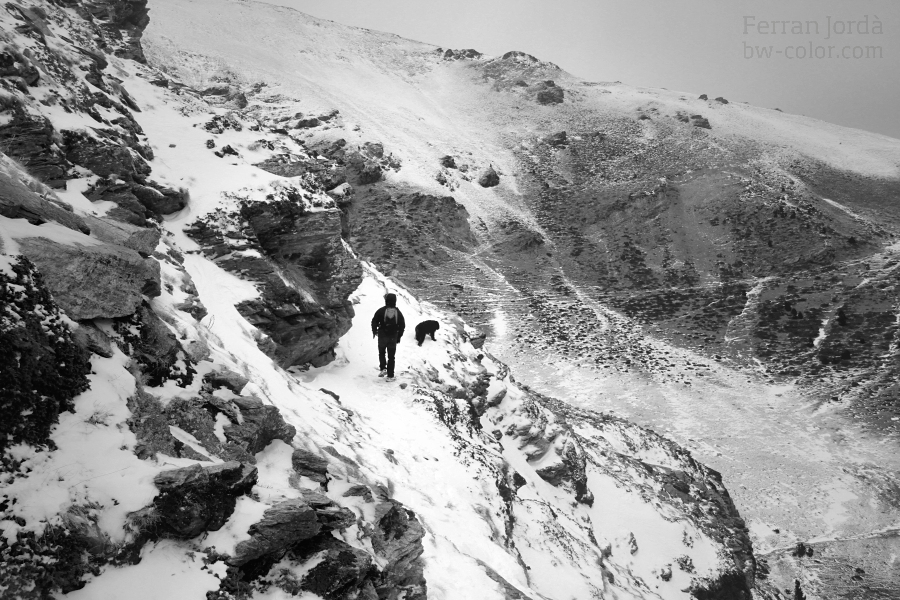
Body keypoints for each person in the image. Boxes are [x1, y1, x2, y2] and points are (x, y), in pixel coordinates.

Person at [371, 292, 405, 381]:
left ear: (386, 300)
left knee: (382, 353)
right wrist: (399, 337)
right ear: (395, 301)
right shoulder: (398, 312)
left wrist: (375, 331)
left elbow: (374, 321)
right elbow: (402, 325)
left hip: (382, 335)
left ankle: (383, 369)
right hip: (393, 336)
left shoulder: (381, 310)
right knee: (391, 357)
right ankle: (390, 376)